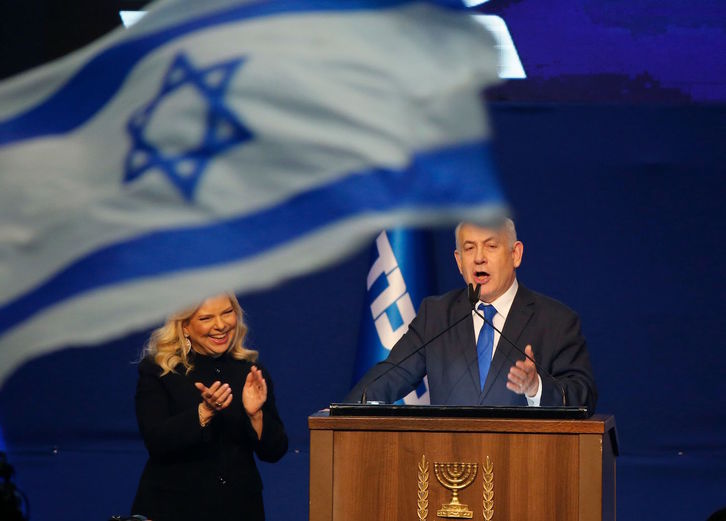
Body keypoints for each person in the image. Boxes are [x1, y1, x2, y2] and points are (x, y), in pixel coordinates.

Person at [345, 219, 597, 411]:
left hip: (525, 468)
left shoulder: (555, 320)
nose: (479, 258)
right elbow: (392, 374)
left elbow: (583, 396)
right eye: (469, 248)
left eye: (490, 246)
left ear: (515, 254)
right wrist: (344, 412)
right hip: (448, 469)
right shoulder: (437, 315)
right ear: (459, 261)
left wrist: (536, 388)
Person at [131, 293, 288, 521]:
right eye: (206, 318)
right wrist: (204, 413)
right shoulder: (159, 370)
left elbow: (275, 451)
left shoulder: (250, 371)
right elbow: (156, 441)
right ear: (185, 326)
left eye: (227, 313)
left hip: (240, 509)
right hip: (173, 509)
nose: (221, 325)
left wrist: (255, 415)